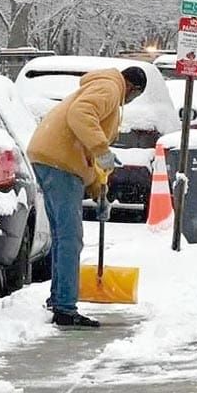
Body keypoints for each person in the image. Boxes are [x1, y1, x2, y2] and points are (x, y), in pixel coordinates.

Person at [27, 66, 147, 327]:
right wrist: (103, 151)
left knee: (62, 236)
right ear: (132, 88)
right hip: (61, 161)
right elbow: (80, 116)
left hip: (50, 157)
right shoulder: (110, 87)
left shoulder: (104, 86)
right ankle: (65, 309)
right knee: (70, 238)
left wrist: (96, 189)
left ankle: (59, 299)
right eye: (134, 97)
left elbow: (85, 149)